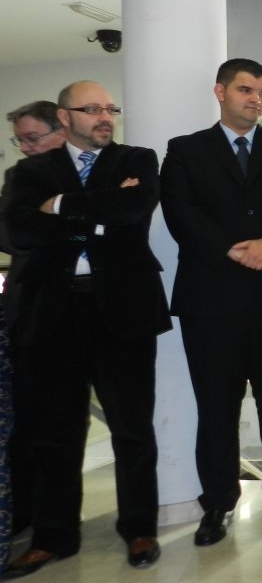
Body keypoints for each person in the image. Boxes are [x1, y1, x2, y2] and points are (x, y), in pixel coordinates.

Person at [3, 83, 169, 576]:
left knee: (132, 428)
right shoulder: (30, 171)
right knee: (55, 434)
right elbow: (18, 232)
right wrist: (96, 214)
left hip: (122, 312)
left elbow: (132, 211)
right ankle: (54, 536)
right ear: (64, 115)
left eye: (109, 108)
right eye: (91, 109)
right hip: (51, 315)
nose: (104, 116)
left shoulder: (137, 160)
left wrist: (58, 207)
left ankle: (139, 527)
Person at [161, 58, 262, 546]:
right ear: (220, 92)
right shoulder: (186, 150)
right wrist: (235, 248)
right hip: (211, 301)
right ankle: (219, 503)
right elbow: (180, 212)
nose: (256, 99)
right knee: (216, 407)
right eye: (246, 90)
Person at [2, 103, 67, 550]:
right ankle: (24, 518)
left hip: (86, 314)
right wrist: (66, 219)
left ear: (60, 130)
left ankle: (57, 523)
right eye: (19, 140)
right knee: (29, 429)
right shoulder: (17, 178)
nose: (25, 148)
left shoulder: (87, 170)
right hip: (29, 317)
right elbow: (9, 236)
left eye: (32, 138)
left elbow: (110, 225)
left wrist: (49, 214)